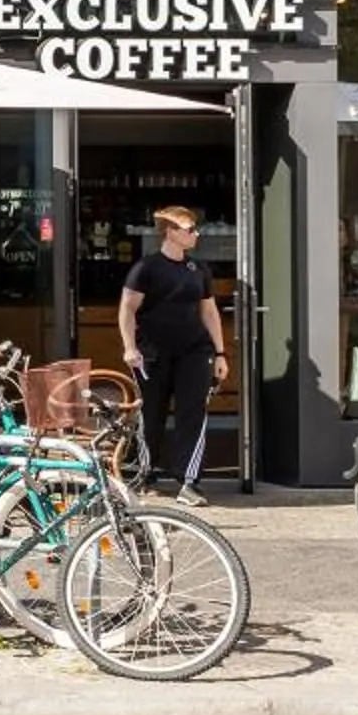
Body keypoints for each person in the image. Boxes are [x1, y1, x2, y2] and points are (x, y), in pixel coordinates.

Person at [120, 205, 227, 507]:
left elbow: (209, 310)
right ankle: (143, 473)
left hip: (194, 351)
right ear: (170, 232)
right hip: (152, 351)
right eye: (189, 228)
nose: (196, 234)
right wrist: (130, 346)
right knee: (150, 413)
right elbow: (127, 309)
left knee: (193, 413)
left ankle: (189, 482)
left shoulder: (198, 269)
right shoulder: (147, 268)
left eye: (195, 228)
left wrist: (220, 352)